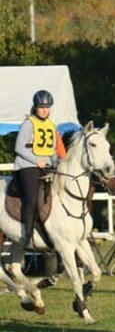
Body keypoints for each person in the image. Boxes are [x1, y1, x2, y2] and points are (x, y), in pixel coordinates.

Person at [13, 89, 67, 249]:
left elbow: (51, 150)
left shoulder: (51, 125)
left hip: (46, 165)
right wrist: (36, 160)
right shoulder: (28, 123)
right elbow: (19, 147)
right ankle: (27, 235)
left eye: (47, 107)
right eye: (42, 107)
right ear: (35, 107)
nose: (45, 110)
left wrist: (56, 162)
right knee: (32, 197)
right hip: (27, 165)